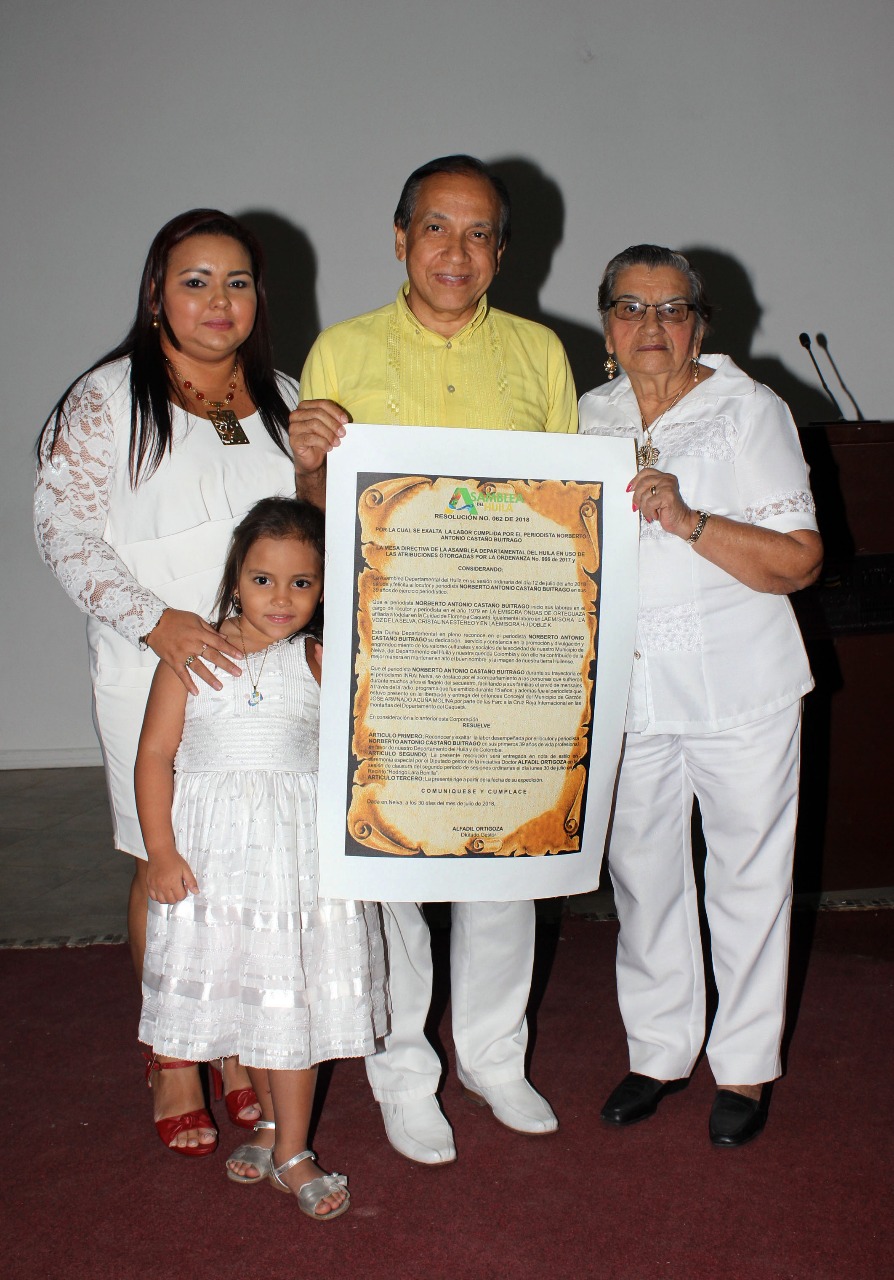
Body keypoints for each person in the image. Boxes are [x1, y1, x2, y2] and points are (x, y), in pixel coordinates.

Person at [289, 155, 578, 1165]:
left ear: (505, 246)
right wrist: (309, 462)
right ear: (401, 235)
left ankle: (495, 1055)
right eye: (438, 229)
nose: (459, 252)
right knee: (395, 869)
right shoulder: (343, 348)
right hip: (390, 646)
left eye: (481, 232)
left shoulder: (542, 352)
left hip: (509, 644)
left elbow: (566, 518)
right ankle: (404, 1069)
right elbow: (321, 515)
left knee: (506, 859)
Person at [34, 209, 303, 1150]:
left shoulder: (281, 396)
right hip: (151, 667)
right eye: (195, 281)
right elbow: (60, 533)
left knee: (243, 863)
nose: (218, 301)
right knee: (168, 862)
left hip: (266, 690)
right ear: (157, 292)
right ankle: (174, 1054)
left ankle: (231, 1042)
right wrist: (158, 622)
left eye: (237, 282)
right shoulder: (108, 400)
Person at [578, 245, 823, 1147]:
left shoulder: (749, 411)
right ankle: (658, 1050)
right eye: (630, 307)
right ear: (606, 322)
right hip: (632, 693)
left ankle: (746, 1067)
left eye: (671, 309)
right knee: (643, 877)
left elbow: (800, 562)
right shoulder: (584, 415)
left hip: (742, 686)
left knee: (749, 875)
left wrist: (689, 521)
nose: (650, 326)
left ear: (700, 324)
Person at [137, 497, 385, 1214]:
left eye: (302, 583)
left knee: (291, 1003)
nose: (282, 598)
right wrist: (159, 850)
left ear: (323, 585)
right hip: (215, 864)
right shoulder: (191, 655)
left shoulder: (318, 658)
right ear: (235, 580)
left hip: (297, 864)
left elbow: (359, 749)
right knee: (251, 997)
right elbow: (155, 755)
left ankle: (291, 1151)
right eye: (263, 580)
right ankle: (274, 1122)